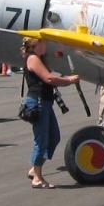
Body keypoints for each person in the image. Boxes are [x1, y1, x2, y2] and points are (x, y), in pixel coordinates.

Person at [21, 37, 79, 189]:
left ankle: (35, 168)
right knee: (42, 140)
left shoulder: (38, 58)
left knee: (54, 137)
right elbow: (48, 78)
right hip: (38, 102)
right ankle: (37, 178)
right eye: (43, 42)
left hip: (44, 101)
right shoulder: (33, 58)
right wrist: (68, 79)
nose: (46, 45)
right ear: (36, 45)